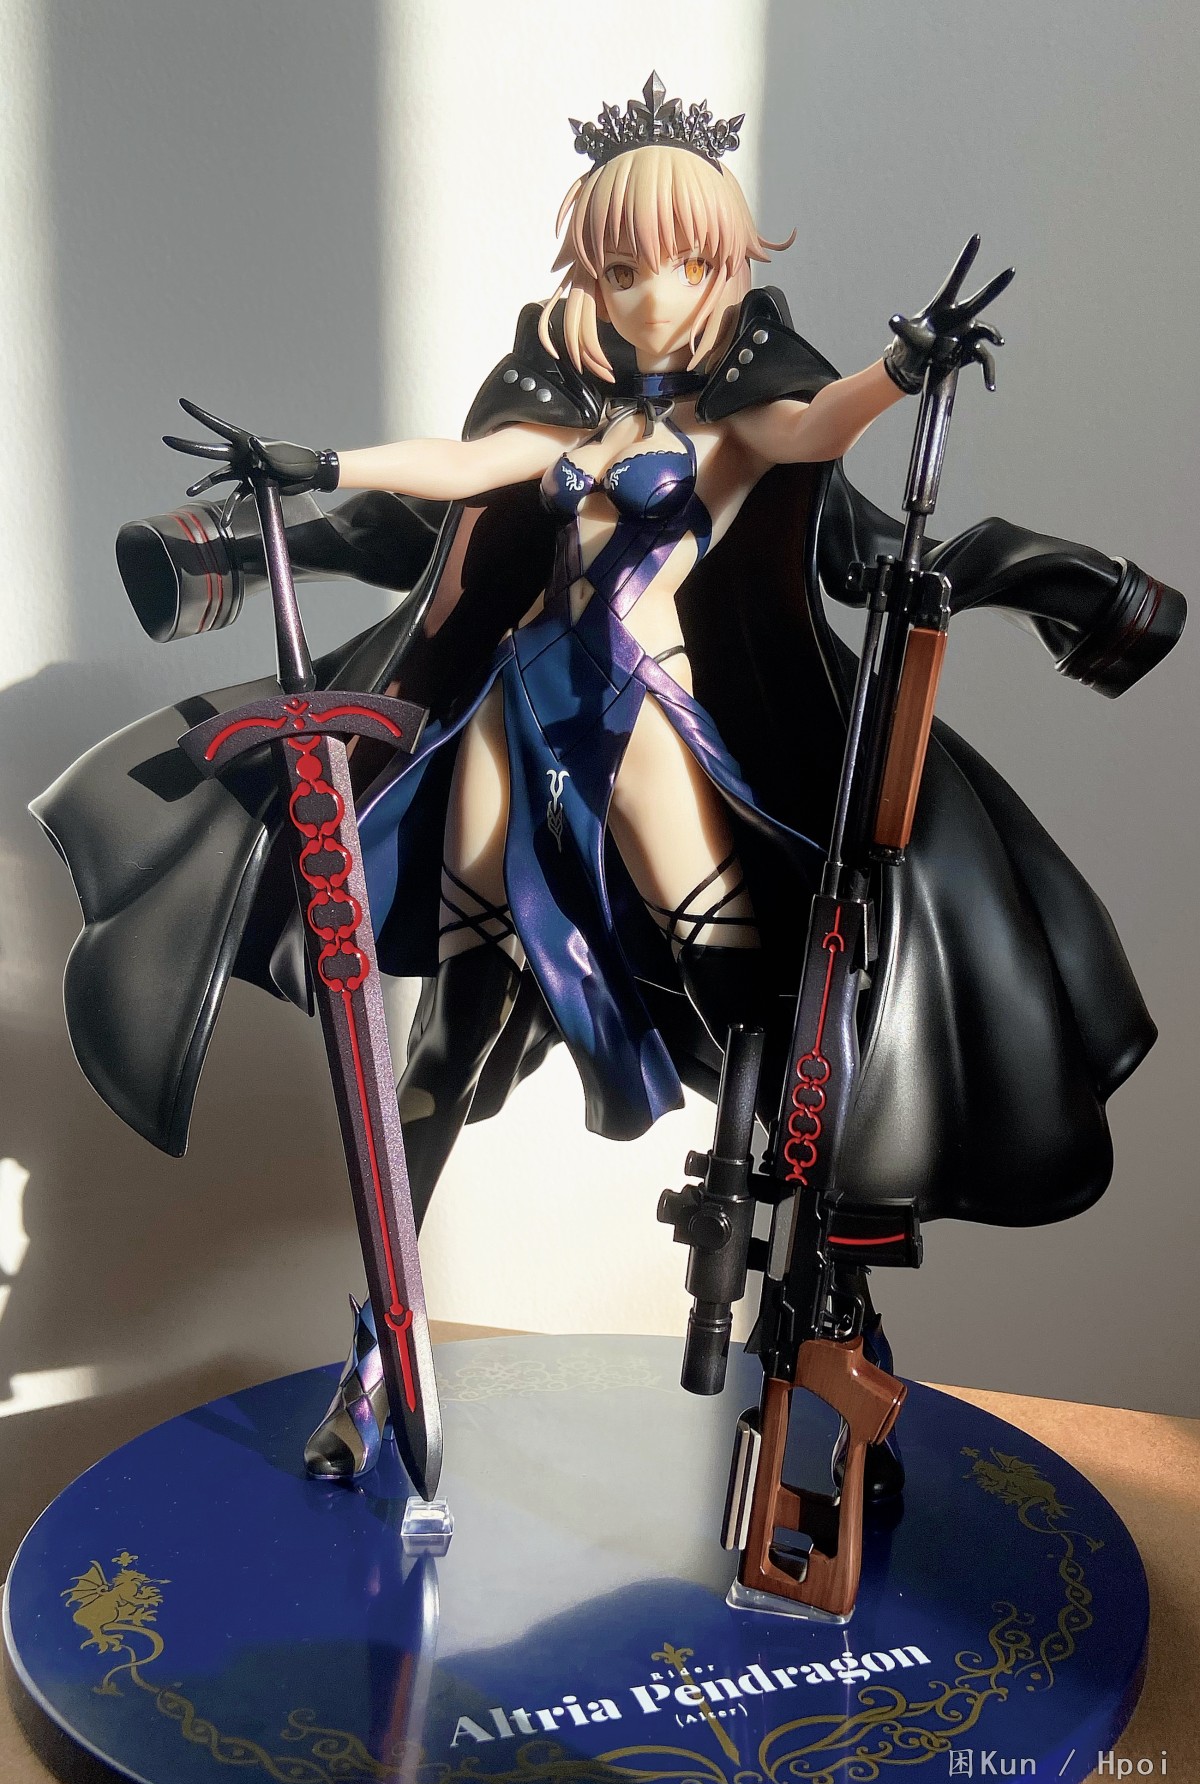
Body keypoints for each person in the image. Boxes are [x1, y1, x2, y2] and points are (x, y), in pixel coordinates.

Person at [33, 76, 1185, 1483]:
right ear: (589, 268)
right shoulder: (562, 416)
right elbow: (459, 467)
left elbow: (821, 428)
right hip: (522, 708)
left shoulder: (737, 425)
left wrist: (903, 365)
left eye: (689, 262)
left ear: (731, 263)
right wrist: (316, 461)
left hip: (645, 718)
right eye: (625, 265)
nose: (656, 294)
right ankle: (384, 1348)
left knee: (763, 1003)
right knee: (447, 1033)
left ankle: (823, 1289)